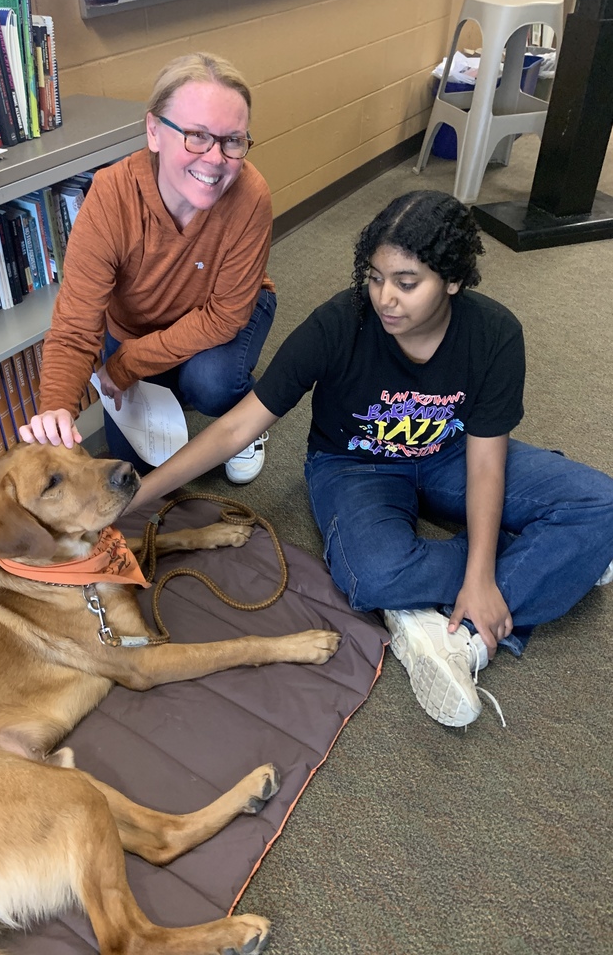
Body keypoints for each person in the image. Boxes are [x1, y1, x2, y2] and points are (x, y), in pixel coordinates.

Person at [129, 189, 613, 728]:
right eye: (376, 278)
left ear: (453, 280)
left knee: (601, 504)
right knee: (373, 575)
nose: (386, 299)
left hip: (452, 452)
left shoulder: (495, 334)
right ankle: (547, 557)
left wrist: (480, 575)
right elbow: (236, 427)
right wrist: (137, 496)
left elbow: (485, 464)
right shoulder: (339, 323)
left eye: (407, 283)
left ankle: (463, 637)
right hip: (353, 464)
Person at [20, 52, 276, 484]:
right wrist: (56, 408)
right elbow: (75, 326)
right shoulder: (111, 197)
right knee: (133, 469)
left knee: (210, 382)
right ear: (154, 131)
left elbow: (224, 316)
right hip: (136, 323)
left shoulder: (250, 195)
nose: (215, 158)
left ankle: (244, 417)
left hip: (224, 311)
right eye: (196, 136)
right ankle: (172, 376)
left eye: (232, 140)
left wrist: (127, 364)